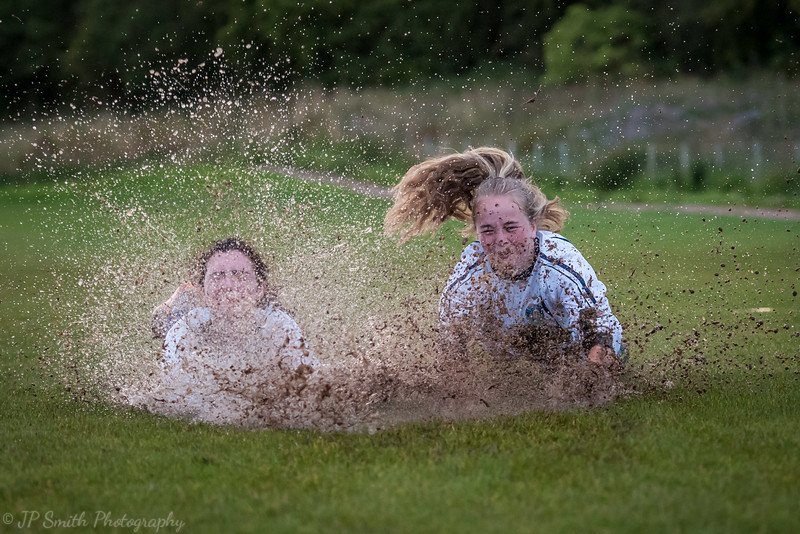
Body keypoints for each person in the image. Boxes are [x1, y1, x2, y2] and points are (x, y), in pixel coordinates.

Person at [384, 147, 624, 366]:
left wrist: (590, 382)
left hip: (580, 354)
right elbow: (451, 348)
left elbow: (600, 333)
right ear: (477, 233)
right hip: (517, 367)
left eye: (511, 227)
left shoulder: (560, 264)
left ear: (533, 226)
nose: (500, 240)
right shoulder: (470, 274)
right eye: (488, 230)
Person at [155, 237, 317, 370]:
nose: (228, 285)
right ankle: (178, 296)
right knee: (160, 321)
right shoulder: (185, 329)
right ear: (203, 291)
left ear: (259, 289)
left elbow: (309, 379)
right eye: (217, 276)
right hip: (181, 313)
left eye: (239, 275)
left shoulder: (279, 327)